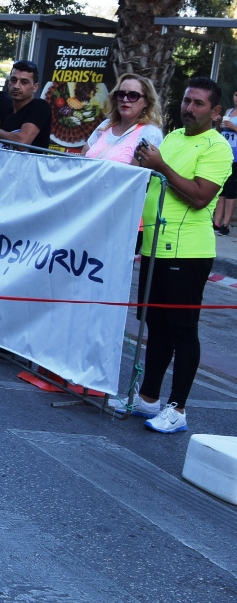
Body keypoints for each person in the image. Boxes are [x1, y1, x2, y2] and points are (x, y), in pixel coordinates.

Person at [125, 77, 233, 433]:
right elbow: (154, 181)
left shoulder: (217, 147)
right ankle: (148, 398)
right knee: (156, 326)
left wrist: (161, 167)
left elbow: (200, 197)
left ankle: (178, 409)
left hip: (188, 252)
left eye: (199, 103)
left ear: (215, 112)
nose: (189, 108)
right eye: (187, 100)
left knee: (183, 330)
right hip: (155, 245)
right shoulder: (171, 138)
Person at [82, 73, 164, 252]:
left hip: (120, 218)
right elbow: (82, 159)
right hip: (87, 211)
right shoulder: (105, 125)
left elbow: (133, 179)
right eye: (121, 94)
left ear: (146, 101)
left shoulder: (150, 133)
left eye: (133, 95)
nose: (126, 99)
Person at [0, 60, 51, 149]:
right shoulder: (8, 109)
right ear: (8, 83)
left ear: (35, 87)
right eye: (13, 80)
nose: (16, 86)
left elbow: (22, 143)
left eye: (24, 82)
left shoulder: (40, 106)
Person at [213, 89, 237, 235]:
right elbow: (220, 131)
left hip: (236, 157)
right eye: (236, 94)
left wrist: (233, 127)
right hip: (223, 153)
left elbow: (232, 129)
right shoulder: (229, 111)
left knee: (231, 190)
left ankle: (226, 224)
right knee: (220, 189)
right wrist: (218, 123)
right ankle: (217, 221)